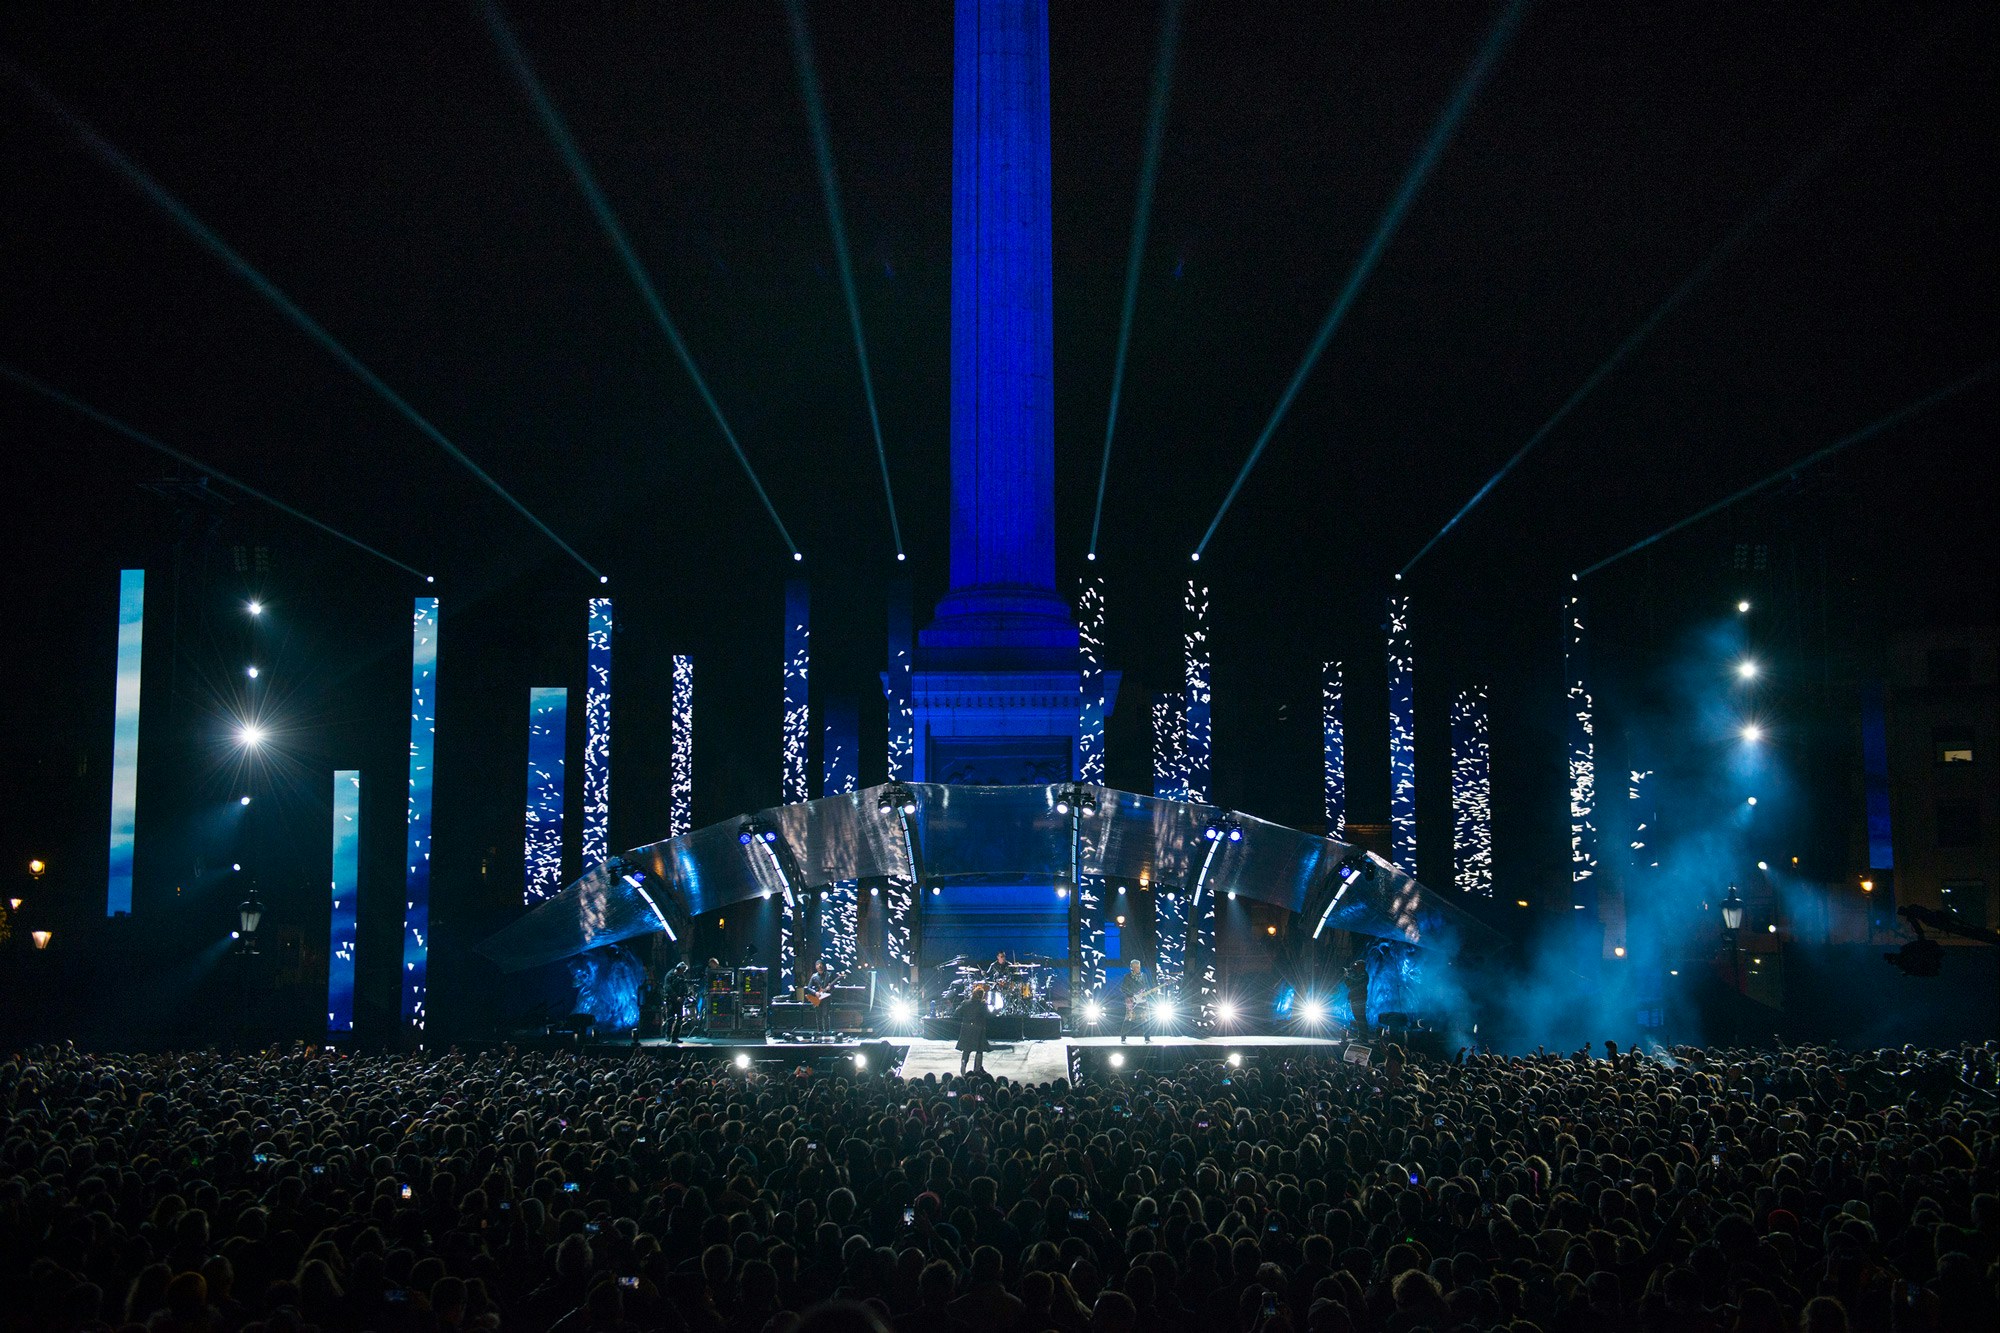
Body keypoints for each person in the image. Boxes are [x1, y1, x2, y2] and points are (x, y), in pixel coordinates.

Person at [956, 983, 991, 1074]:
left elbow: (957, 1012)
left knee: (966, 1049)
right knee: (979, 1049)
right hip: (978, 1029)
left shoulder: (965, 1003)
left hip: (967, 1029)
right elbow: (988, 1015)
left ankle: (963, 1063)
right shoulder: (982, 1005)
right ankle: (977, 1069)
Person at [1116, 958, 1149, 1043]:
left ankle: (1147, 1037)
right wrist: (1132, 994)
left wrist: (1149, 992)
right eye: (1136, 967)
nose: (1138, 968)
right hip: (1131, 1000)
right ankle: (1123, 1038)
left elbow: (1147, 986)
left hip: (1143, 1000)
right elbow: (1123, 988)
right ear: (1132, 967)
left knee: (1145, 1018)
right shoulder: (1127, 977)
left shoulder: (1143, 976)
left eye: (1139, 966)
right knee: (1129, 1017)